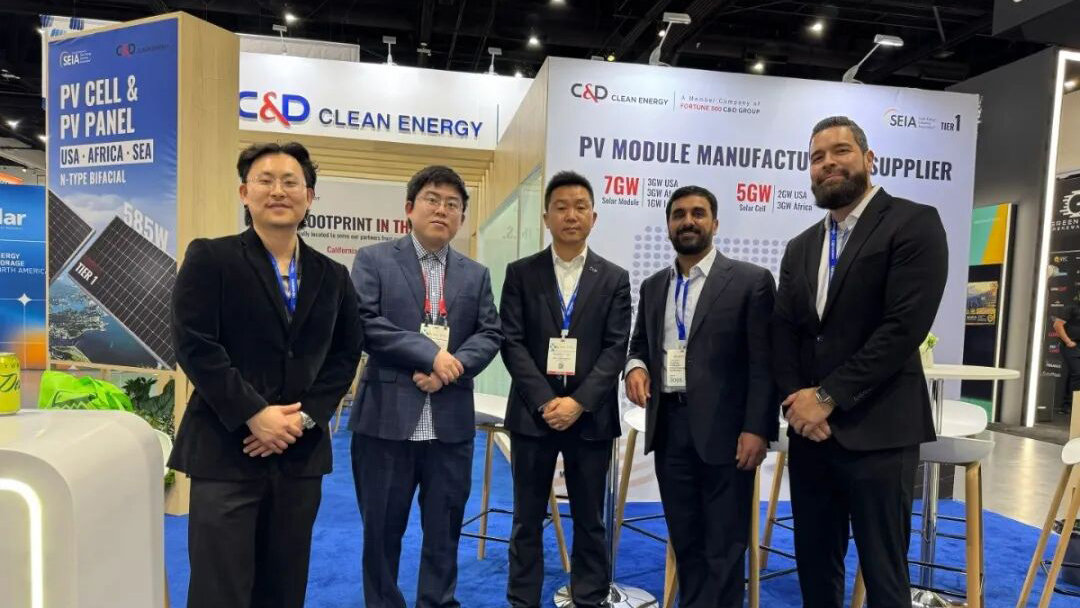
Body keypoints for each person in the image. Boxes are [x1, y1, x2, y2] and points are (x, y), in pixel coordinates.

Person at [170, 141, 363, 608]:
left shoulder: (333, 275)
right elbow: (195, 343)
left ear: (309, 197)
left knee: (284, 587)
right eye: (265, 180)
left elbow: (345, 354)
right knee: (220, 589)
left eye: (291, 182)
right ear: (244, 192)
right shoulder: (211, 257)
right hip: (226, 450)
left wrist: (303, 418)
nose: (278, 191)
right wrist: (254, 414)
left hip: (299, 455)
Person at [772, 116, 948, 608]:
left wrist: (828, 398)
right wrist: (798, 405)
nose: (828, 163)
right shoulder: (801, 246)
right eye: (817, 157)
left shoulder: (914, 222)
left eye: (841, 151)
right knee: (814, 566)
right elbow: (784, 332)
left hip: (880, 431)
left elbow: (902, 329)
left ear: (869, 159)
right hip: (811, 435)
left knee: (884, 574)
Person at [348, 165, 502, 608]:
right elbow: (364, 323)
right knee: (381, 533)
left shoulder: (475, 274)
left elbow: (490, 333)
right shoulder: (374, 260)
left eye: (453, 204)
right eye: (433, 199)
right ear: (410, 208)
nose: (442, 210)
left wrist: (450, 368)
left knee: (445, 531)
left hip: (450, 426)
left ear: (462, 218)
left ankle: (437, 602)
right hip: (385, 424)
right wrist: (429, 354)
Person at [624, 185, 777, 607]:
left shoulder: (750, 281)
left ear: (715, 223)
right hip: (670, 428)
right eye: (678, 214)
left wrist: (756, 428)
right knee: (686, 539)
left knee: (724, 546)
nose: (688, 221)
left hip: (729, 435)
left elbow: (765, 364)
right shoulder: (654, 286)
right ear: (668, 226)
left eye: (698, 213)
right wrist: (635, 367)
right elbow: (640, 344)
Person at [500, 171, 631, 608]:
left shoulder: (614, 278)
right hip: (532, 415)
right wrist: (545, 400)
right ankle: (523, 599)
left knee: (590, 518)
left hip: (591, 417)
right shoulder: (521, 273)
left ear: (594, 216)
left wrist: (577, 402)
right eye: (561, 207)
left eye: (580, 207)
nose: (571, 215)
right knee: (526, 518)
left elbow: (615, 347)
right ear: (546, 217)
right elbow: (512, 342)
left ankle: (589, 597)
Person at [1053, 301, 1080, 415]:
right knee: (1077, 374)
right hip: (1072, 345)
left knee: (1073, 375)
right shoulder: (1071, 307)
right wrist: (1068, 342)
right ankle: (1076, 406)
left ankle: (1067, 405)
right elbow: (1057, 325)